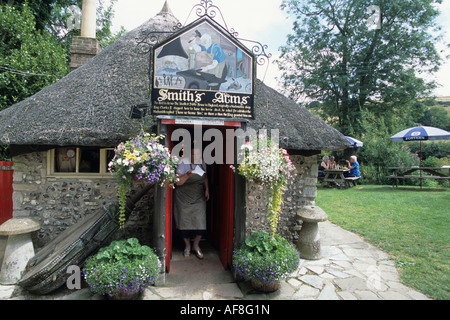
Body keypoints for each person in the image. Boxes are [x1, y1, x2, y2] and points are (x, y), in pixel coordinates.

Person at [174, 146, 210, 259]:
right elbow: (178, 183)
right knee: (184, 222)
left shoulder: (203, 163)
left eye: (198, 155)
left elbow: (205, 177)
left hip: (198, 196)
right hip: (183, 196)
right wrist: (188, 174)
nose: (196, 157)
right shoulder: (183, 163)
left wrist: (207, 190)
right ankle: (187, 246)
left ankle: (196, 245)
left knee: (200, 222)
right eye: (194, 155)